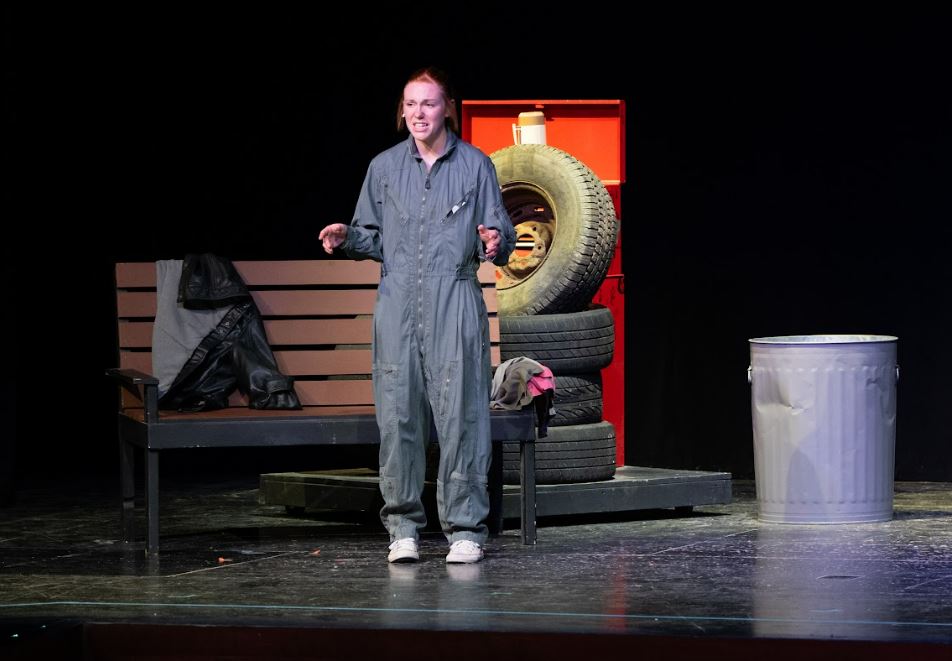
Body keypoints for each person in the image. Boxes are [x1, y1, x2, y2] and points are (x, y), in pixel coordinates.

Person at [319, 67, 515, 564]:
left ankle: (465, 529)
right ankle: (402, 527)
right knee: (399, 416)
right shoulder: (384, 167)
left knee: (462, 419)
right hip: (398, 304)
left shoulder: (475, 165)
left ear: (447, 108)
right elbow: (372, 236)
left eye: (428, 103)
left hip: (455, 298)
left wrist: (495, 240)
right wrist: (348, 237)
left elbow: (499, 230)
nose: (418, 113)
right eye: (410, 104)